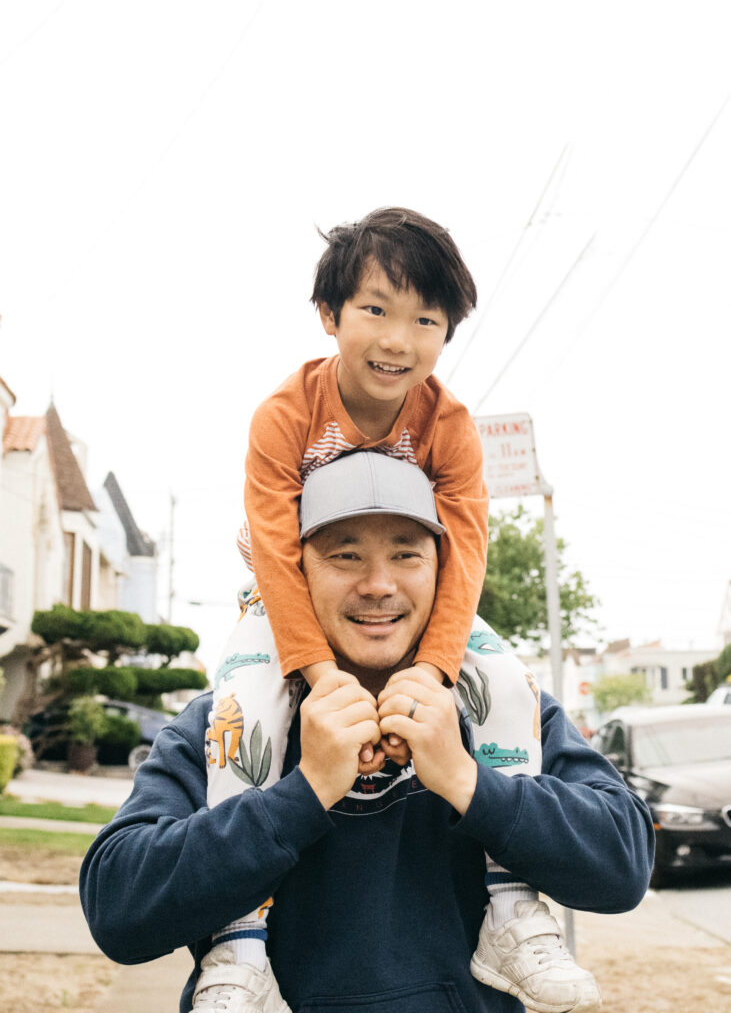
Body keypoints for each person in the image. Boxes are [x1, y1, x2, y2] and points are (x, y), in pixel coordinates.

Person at [80, 453, 655, 1013]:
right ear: (293, 575)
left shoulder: (503, 711)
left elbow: (624, 865)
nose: (379, 584)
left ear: (442, 571)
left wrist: (467, 780)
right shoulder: (225, 726)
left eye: (406, 554)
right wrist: (303, 793)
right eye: (345, 555)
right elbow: (118, 910)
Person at [212, 207, 596, 1010]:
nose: (398, 339)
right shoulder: (284, 415)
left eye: (426, 319)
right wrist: (317, 674)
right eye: (376, 310)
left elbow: (463, 556)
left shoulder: (449, 427)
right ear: (329, 314)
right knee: (242, 707)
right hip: (288, 593)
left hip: (424, 611)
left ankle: (512, 908)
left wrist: (435, 671)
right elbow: (278, 553)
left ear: (447, 331)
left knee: (506, 685)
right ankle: (237, 943)